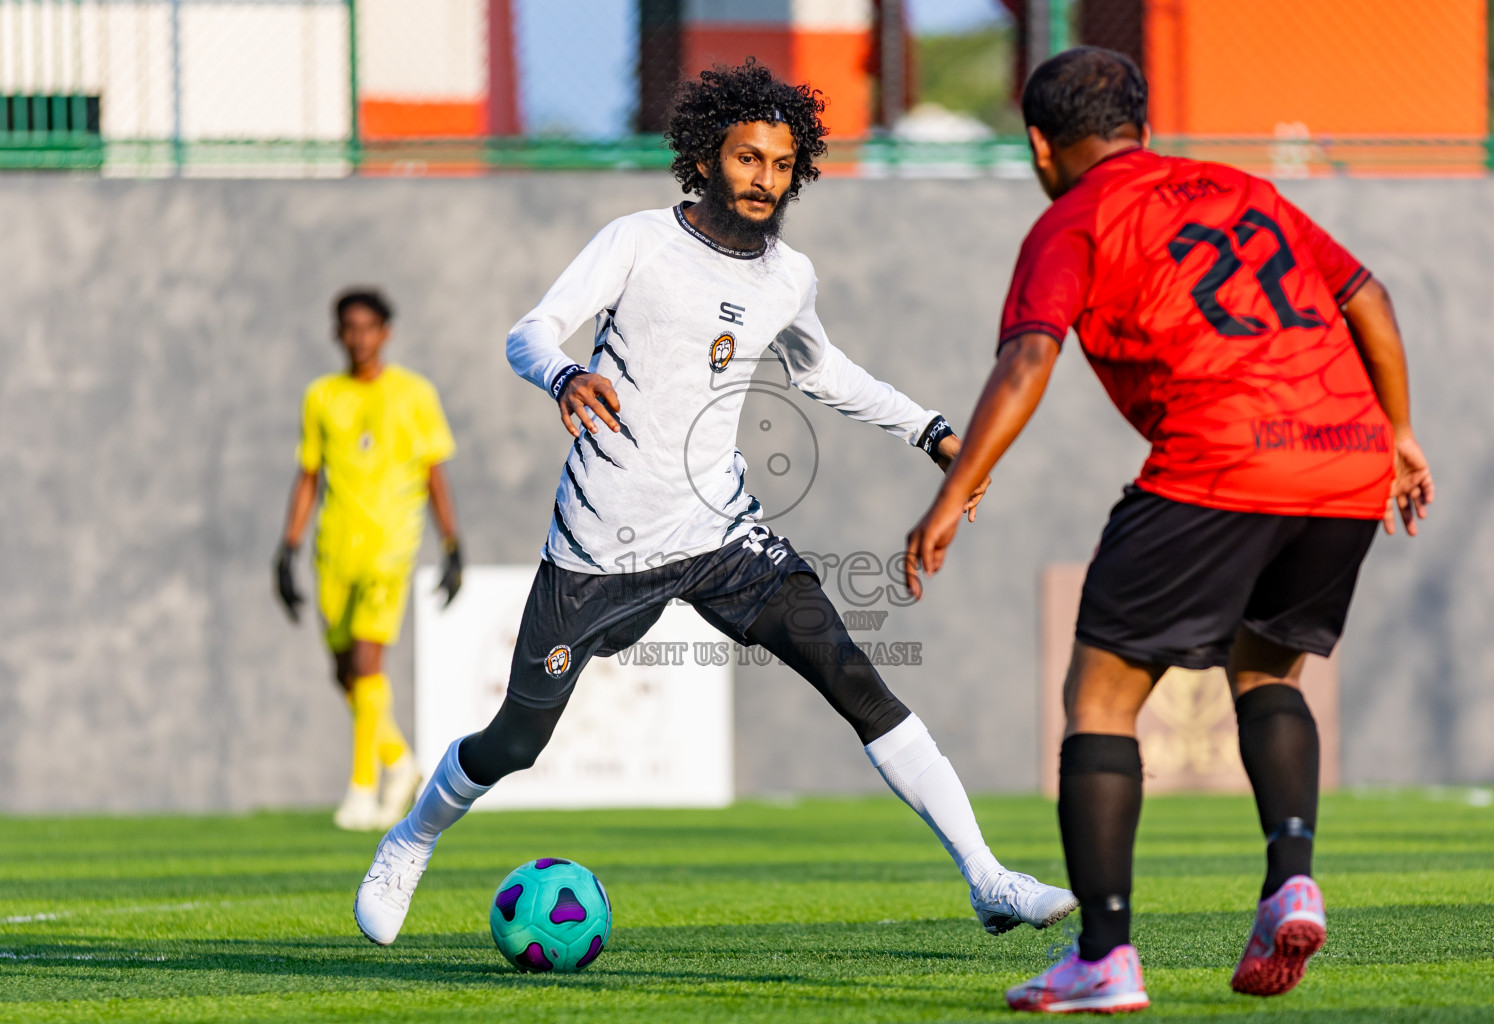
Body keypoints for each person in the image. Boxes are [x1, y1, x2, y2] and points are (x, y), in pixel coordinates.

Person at [351, 61, 1078, 947]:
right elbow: (531, 330)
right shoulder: (637, 242)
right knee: (515, 744)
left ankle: (988, 877)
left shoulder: (788, 278)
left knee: (854, 676)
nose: (764, 178)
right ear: (706, 158)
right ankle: (411, 838)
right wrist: (566, 372)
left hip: (722, 533)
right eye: (747, 158)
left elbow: (825, 375)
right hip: (600, 549)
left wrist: (929, 430)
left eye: (780, 162)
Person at [905, 48, 1433, 1014]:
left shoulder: (1073, 216)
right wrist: (1398, 433)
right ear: (1141, 125)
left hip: (1225, 455)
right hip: (1345, 450)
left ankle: (1104, 957)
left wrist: (953, 492)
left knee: (1100, 696)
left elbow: (1029, 358)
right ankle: (1292, 880)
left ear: (1040, 144)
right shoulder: (1248, 190)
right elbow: (1370, 297)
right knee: (1267, 673)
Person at [275, 288, 465, 831]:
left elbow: (434, 473)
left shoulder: (414, 394)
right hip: (334, 550)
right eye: (348, 328)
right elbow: (309, 476)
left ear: (386, 333)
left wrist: (452, 544)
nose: (358, 338)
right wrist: (287, 549)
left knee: (366, 663)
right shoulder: (320, 396)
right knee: (344, 673)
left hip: (389, 548)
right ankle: (400, 763)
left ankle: (363, 789)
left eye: (368, 327)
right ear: (337, 333)